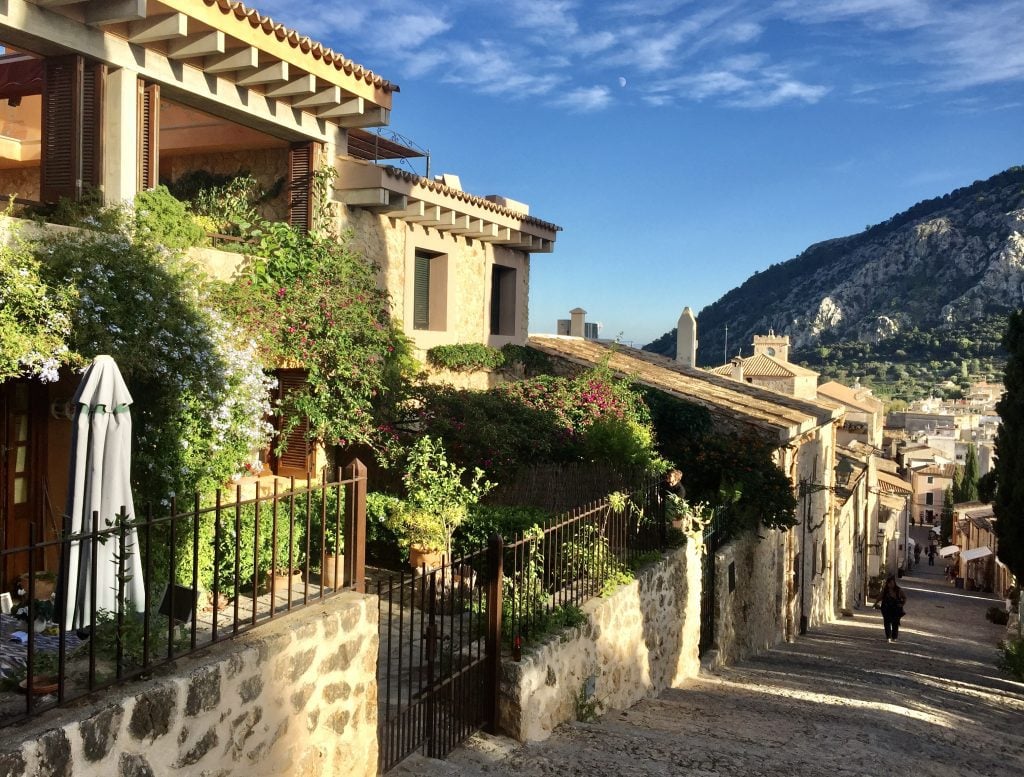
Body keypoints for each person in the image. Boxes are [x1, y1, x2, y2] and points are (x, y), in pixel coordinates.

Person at [874, 575, 907, 643]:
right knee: (887, 622)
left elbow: (904, 598)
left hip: (895, 609)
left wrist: (902, 604)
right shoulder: (885, 590)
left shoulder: (898, 590)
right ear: (887, 584)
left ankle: (894, 636)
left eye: (892, 583)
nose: (891, 584)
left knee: (895, 622)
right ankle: (888, 636)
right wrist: (875, 603)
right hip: (886, 608)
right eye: (889, 583)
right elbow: (880, 597)